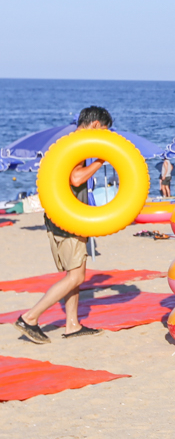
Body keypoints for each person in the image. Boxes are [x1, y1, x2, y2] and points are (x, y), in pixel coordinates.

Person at [16, 106, 113, 343]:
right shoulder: (77, 146)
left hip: (59, 217)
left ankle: (72, 324)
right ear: (96, 125)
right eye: (104, 131)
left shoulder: (65, 141)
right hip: (69, 220)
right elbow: (76, 178)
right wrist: (101, 159)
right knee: (77, 277)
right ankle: (29, 318)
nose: (103, 136)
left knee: (74, 273)